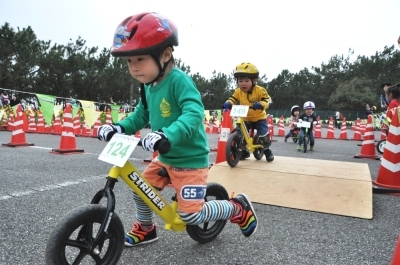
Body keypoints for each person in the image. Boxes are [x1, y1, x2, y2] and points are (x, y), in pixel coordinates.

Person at [97, 12, 258, 246]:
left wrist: (166, 134)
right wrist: (119, 128)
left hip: (190, 160)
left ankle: (236, 208)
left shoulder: (178, 80)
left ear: (165, 54)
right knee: (140, 189)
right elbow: (141, 114)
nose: (133, 68)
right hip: (165, 157)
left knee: (190, 215)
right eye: (129, 61)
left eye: (140, 59)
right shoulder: (148, 86)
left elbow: (192, 114)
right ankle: (146, 228)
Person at [222, 62, 274, 162]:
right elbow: (232, 99)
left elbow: (268, 100)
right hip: (245, 118)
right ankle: (244, 150)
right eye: (240, 81)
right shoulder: (238, 91)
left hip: (259, 118)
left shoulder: (260, 90)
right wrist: (228, 103)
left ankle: (267, 150)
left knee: (263, 135)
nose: (243, 83)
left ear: (254, 80)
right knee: (239, 132)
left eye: (246, 80)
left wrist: (261, 104)